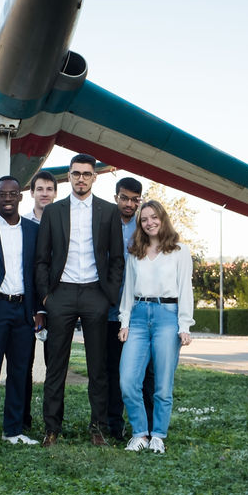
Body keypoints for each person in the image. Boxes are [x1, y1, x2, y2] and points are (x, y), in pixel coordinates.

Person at [35, 153, 124, 447]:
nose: (81, 178)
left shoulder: (108, 212)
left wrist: (109, 294)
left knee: (97, 366)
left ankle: (97, 426)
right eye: (76, 173)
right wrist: (47, 295)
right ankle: (51, 428)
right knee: (55, 366)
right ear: (69, 176)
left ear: (94, 177)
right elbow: (42, 259)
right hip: (61, 293)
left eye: (86, 174)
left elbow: (116, 259)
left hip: (95, 294)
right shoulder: (54, 211)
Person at [118, 200, 194, 453]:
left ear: (163, 219)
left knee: (162, 384)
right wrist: (125, 321)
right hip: (138, 316)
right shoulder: (136, 251)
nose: (149, 222)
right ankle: (140, 434)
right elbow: (128, 289)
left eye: (154, 217)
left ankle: (158, 435)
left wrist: (184, 325)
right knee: (128, 380)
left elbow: (185, 289)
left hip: (167, 316)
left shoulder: (179, 251)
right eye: (144, 219)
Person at [0, 176, 41, 446]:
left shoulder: (33, 231)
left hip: (23, 310)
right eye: (3, 194)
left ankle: (13, 431)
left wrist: (38, 309)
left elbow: (37, 272)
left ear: (20, 197)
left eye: (13, 194)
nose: (9, 199)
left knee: (19, 371)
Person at [106, 176, 145, 442]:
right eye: (124, 198)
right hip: (108, 309)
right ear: (116, 197)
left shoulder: (144, 228)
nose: (129, 203)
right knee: (109, 371)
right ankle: (111, 424)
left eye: (134, 199)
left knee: (134, 373)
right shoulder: (104, 222)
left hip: (136, 313)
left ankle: (143, 425)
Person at [22, 170, 57, 429]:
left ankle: (52, 420)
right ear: (32, 192)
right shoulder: (21, 224)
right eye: (40, 189)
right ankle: (22, 417)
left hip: (55, 303)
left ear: (55, 193)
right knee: (23, 364)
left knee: (54, 366)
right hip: (25, 303)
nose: (44, 193)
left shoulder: (62, 223)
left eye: (49, 189)